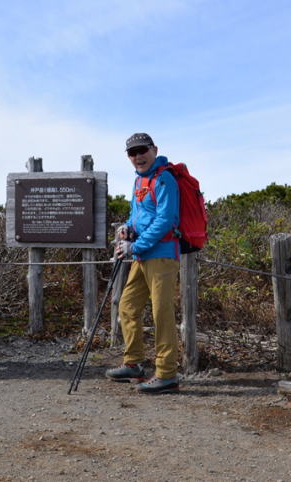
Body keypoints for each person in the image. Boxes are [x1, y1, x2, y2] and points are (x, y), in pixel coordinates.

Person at [107, 132, 182, 394]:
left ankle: (167, 374)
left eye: (142, 151)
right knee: (127, 306)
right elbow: (136, 214)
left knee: (162, 313)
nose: (138, 156)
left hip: (161, 255)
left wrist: (135, 246)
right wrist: (127, 228)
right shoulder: (139, 182)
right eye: (132, 153)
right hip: (142, 255)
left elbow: (165, 220)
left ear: (154, 150)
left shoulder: (164, 179)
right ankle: (134, 363)